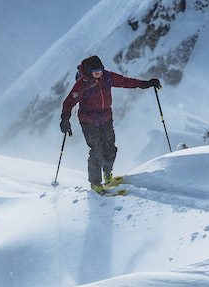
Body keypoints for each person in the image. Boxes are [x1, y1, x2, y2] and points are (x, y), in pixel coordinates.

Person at [59, 55, 161, 194]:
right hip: (88, 121)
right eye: (95, 72)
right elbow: (69, 102)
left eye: (100, 70)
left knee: (110, 148)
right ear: (89, 72)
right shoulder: (82, 84)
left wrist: (145, 84)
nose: (99, 74)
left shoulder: (107, 77)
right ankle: (95, 183)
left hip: (106, 118)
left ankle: (107, 174)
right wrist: (65, 119)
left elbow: (126, 81)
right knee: (96, 151)